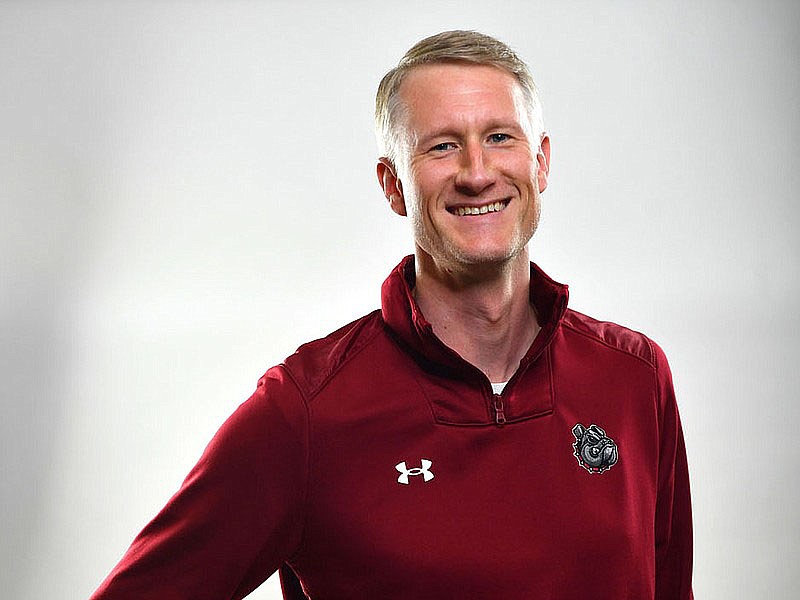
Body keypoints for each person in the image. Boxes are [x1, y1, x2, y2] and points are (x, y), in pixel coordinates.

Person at [90, 30, 693, 599]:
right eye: (442, 146)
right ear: (393, 184)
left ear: (541, 163)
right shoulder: (306, 412)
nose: (477, 173)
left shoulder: (634, 378)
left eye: (500, 138)